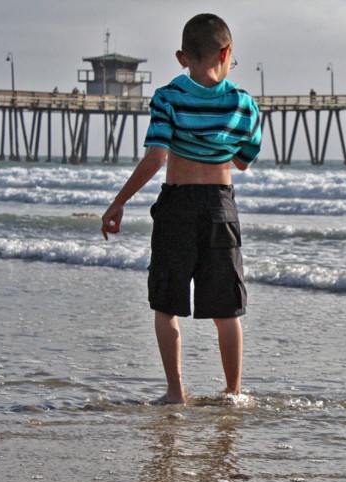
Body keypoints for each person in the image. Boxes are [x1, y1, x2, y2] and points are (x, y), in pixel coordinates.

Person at [100, 13, 262, 404]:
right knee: (227, 311)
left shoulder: (167, 97)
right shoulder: (244, 104)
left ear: (181, 57)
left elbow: (156, 158)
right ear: (226, 53)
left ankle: (175, 392)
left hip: (176, 205)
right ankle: (233, 393)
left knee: (167, 304)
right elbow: (243, 160)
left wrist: (119, 201)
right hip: (220, 207)